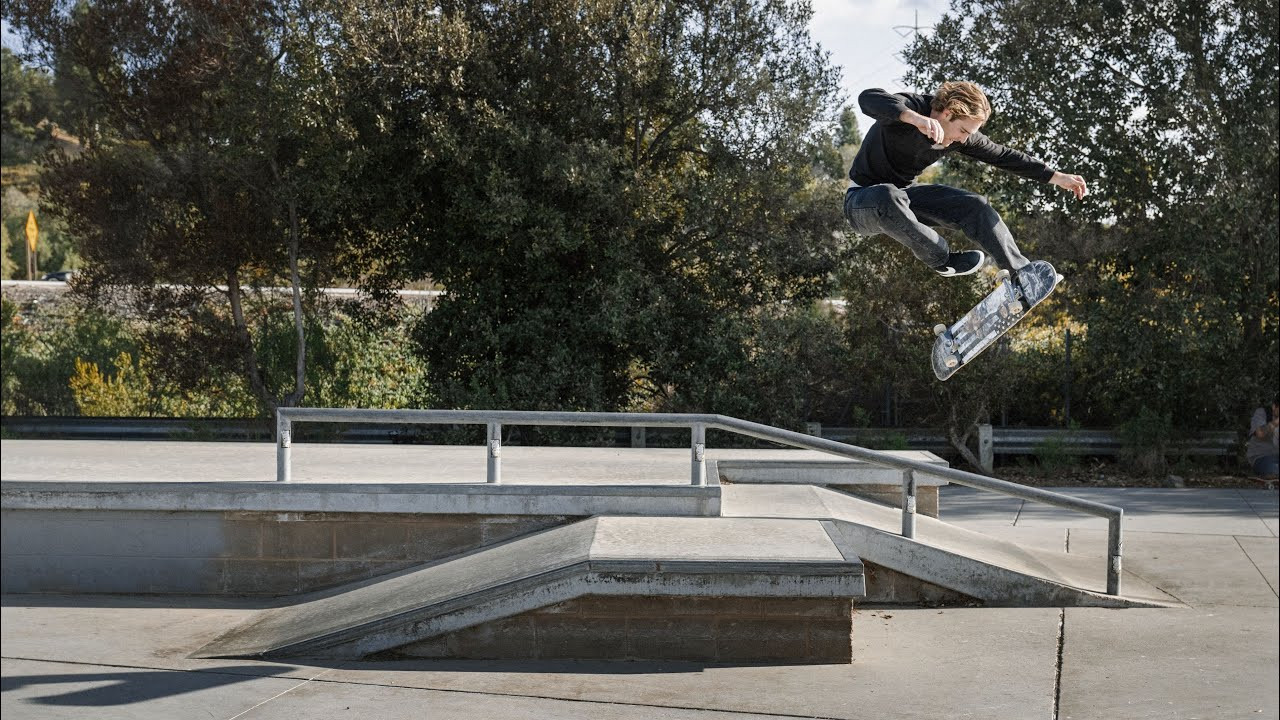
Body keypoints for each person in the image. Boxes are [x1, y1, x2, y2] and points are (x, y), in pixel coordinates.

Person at [843, 81, 1088, 278]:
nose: (963, 140)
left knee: (975, 206)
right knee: (887, 195)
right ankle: (943, 259)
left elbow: (1003, 155)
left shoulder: (963, 138)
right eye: (963, 131)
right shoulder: (913, 107)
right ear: (947, 113)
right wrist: (914, 119)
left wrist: (1056, 177)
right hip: (861, 202)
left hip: (905, 198)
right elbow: (868, 98)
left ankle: (1022, 273)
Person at [1246, 393, 1279, 479]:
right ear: (1274, 406)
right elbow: (1260, 434)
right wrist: (1275, 422)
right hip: (1261, 457)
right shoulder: (1262, 412)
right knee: (1273, 470)